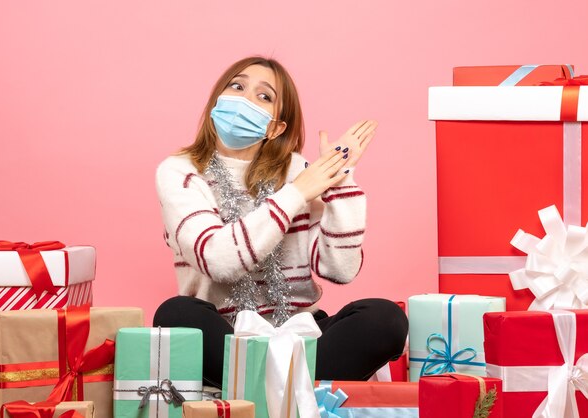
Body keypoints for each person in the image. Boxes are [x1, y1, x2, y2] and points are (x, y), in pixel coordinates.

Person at [154, 56, 408, 388]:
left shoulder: (297, 170)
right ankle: (296, 389)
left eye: (264, 96)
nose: (245, 99)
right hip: (225, 334)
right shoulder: (179, 171)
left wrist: (339, 180)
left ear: (275, 127)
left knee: (385, 319)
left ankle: (260, 387)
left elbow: (339, 269)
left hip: (299, 334)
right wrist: (297, 194)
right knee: (176, 316)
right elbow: (217, 260)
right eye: (238, 86)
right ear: (218, 100)